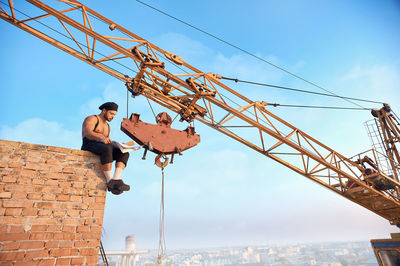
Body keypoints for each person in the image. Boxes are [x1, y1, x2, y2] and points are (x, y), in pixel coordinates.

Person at [81, 102, 130, 195]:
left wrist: (118, 145)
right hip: (89, 145)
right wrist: (101, 138)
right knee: (107, 148)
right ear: (104, 111)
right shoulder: (92, 119)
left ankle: (116, 179)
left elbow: (107, 141)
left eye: (114, 115)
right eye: (111, 114)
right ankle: (109, 180)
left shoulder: (108, 126)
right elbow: (88, 133)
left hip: (102, 147)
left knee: (124, 152)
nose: (113, 117)